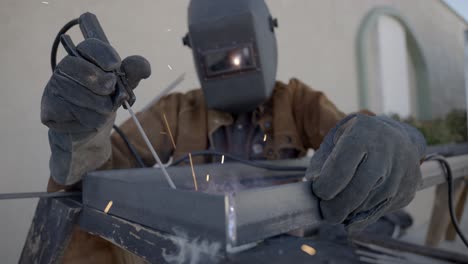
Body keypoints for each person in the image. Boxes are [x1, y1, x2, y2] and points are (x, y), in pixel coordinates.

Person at [38, 0, 426, 263]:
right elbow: (104, 173)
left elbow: (353, 136)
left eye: (241, 56)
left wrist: (396, 138)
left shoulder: (297, 101)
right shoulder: (179, 110)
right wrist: (83, 135)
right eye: (220, 59)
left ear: (266, 40)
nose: (233, 66)